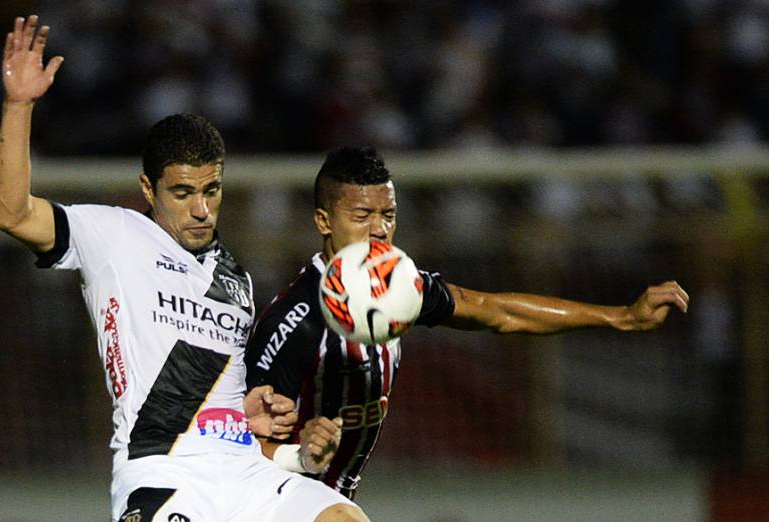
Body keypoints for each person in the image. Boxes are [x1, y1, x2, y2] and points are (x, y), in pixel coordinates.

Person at [0, 15, 370, 522]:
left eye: (211, 191)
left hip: (245, 475)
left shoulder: (237, 280)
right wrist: (18, 105)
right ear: (149, 189)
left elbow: (231, 424)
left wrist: (298, 453)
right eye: (183, 193)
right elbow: (9, 212)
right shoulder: (113, 234)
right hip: (161, 473)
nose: (201, 209)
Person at [245, 146, 690, 499]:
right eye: (362, 216)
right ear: (324, 221)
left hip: (336, 499)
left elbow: (497, 312)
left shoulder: (401, 290)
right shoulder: (294, 321)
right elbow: (234, 442)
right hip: (280, 501)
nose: (379, 230)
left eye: (388, 215)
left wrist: (620, 317)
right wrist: (299, 455)